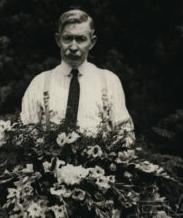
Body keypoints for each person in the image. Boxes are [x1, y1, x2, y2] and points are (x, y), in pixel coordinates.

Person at [20, 9, 134, 140]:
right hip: (50, 160)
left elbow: (125, 133)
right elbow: (25, 134)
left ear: (92, 42)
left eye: (81, 39)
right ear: (58, 40)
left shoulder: (109, 81)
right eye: (68, 38)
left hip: (99, 159)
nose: (73, 47)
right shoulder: (40, 83)